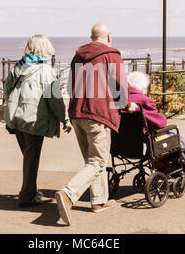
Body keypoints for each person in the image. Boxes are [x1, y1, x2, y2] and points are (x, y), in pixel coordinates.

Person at [55, 23, 129, 225]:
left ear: (91, 36)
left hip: (78, 113)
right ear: (109, 37)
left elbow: (70, 86)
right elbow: (120, 86)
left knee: (92, 161)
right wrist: (125, 106)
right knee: (97, 162)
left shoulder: (77, 56)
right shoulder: (112, 55)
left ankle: (99, 201)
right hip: (99, 114)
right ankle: (68, 194)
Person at [4, 34, 72, 207]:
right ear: (44, 48)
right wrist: (65, 119)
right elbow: (55, 99)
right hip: (33, 119)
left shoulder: (19, 66)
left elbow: (7, 90)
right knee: (31, 158)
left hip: (16, 117)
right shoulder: (46, 70)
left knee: (28, 156)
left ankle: (31, 191)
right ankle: (26, 196)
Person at [127, 71, 185, 181]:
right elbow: (161, 123)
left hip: (124, 145)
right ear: (141, 87)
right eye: (145, 87)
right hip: (145, 143)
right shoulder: (143, 101)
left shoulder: (121, 102)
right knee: (175, 135)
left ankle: (169, 166)